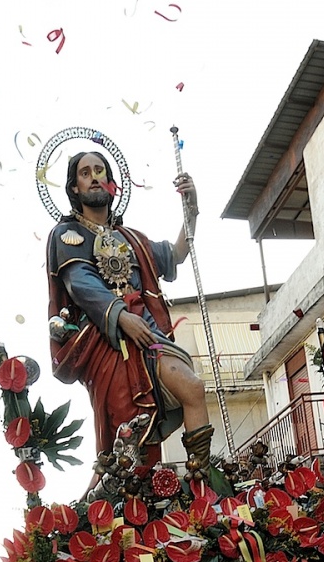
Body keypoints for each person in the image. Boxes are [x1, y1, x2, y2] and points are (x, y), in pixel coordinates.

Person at [46, 144, 214, 480]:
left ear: (110, 182)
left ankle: (202, 482)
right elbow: (81, 284)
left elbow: (177, 254)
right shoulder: (67, 235)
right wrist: (122, 317)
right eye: (85, 173)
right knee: (127, 433)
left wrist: (191, 208)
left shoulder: (132, 239)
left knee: (192, 388)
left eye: (99, 171)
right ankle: (120, 498)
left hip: (150, 335)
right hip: (107, 342)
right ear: (74, 188)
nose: (94, 178)